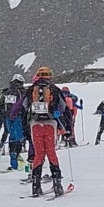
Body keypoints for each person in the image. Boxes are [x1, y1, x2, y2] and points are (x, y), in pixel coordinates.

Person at [22, 67, 67, 197]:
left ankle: (36, 186)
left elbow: (24, 109)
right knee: (51, 152)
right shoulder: (54, 89)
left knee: (39, 154)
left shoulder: (31, 90)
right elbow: (63, 108)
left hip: (35, 124)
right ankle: (57, 184)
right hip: (50, 123)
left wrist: (25, 128)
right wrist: (65, 127)